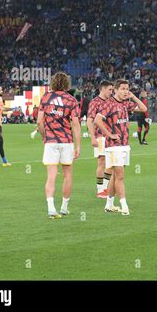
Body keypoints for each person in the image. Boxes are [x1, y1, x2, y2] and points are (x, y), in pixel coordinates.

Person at [94, 79, 147, 216]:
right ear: (115, 90)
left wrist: (133, 96)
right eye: (122, 88)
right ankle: (124, 205)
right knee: (120, 177)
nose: (125, 91)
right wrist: (109, 135)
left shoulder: (126, 104)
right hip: (113, 146)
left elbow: (143, 108)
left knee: (115, 176)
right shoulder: (109, 104)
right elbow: (97, 120)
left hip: (124, 145)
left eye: (127, 88)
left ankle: (109, 204)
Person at [37, 72, 81, 219]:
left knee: (51, 176)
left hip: (51, 142)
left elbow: (39, 122)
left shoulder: (46, 97)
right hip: (67, 141)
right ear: (66, 84)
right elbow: (76, 124)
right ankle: (64, 207)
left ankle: (51, 208)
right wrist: (78, 146)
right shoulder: (72, 100)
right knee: (67, 175)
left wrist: (45, 137)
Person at [87, 80, 114, 198]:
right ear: (102, 89)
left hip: (111, 136)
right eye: (110, 89)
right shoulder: (95, 102)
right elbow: (90, 120)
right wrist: (92, 137)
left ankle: (105, 188)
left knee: (112, 163)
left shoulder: (111, 101)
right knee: (102, 161)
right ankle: (100, 190)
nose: (112, 92)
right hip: (100, 136)